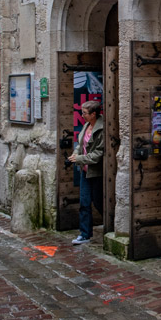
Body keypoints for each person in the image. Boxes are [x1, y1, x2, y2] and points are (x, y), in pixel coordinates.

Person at [68, 100, 104, 245]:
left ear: (93, 114)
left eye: (84, 113)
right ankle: (85, 234)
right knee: (84, 202)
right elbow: (80, 144)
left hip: (96, 172)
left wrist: (80, 158)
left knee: (99, 202)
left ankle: (111, 225)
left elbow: (98, 153)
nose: (81, 115)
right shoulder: (86, 125)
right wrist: (75, 154)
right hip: (85, 171)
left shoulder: (102, 129)